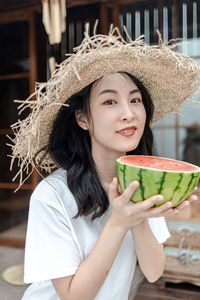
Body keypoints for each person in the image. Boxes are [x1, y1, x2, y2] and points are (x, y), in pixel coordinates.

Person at [10, 24, 200, 300]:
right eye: (110, 102)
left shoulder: (142, 183)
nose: (129, 113)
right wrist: (119, 222)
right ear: (82, 118)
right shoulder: (51, 196)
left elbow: (154, 271)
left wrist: (137, 217)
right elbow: (74, 296)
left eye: (135, 100)